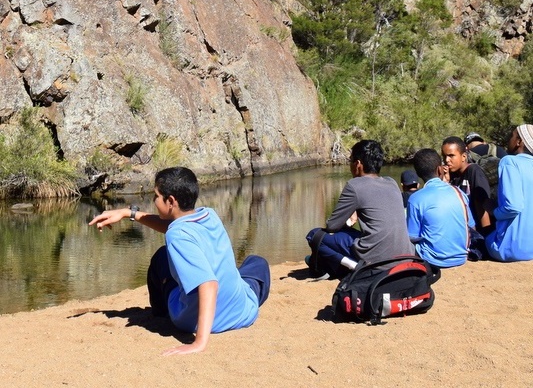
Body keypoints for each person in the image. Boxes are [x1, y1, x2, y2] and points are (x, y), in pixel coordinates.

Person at [90, 166, 270, 355]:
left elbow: (209, 284)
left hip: (193, 321)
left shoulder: (177, 236)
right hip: (241, 312)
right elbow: (171, 225)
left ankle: (161, 313)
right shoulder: (210, 215)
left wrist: (199, 343)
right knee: (257, 264)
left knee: (161, 258)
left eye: (156, 197)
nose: (154, 201)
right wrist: (130, 213)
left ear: (170, 201)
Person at [306, 139, 414, 278]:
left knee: (315, 236)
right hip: (405, 256)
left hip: (377, 259)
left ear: (358, 164)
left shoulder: (354, 185)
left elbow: (332, 225)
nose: (350, 165)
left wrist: (348, 221)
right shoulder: (391, 182)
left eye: (351, 161)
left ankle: (352, 267)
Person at [406, 149, 473, 268]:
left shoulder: (415, 199)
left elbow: (412, 237)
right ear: (439, 169)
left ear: (418, 174)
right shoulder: (459, 192)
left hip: (431, 260)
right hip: (462, 257)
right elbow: (471, 225)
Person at [486, 125, 533, 262]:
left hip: (512, 249)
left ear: (519, 142)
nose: (509, 140)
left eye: (512, 136)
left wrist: (494, 211)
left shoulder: (510, 162)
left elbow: (513, 206)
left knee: (482, 239)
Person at [441, 136, 493, 235]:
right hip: (463, 234)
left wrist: (486, 236)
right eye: (444, 156)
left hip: (478, 233)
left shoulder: (473, 171)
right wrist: (446, 183)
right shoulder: (450, 176)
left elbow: (482, 207)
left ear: (464, 156)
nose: (446, 160)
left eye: (451, 155)